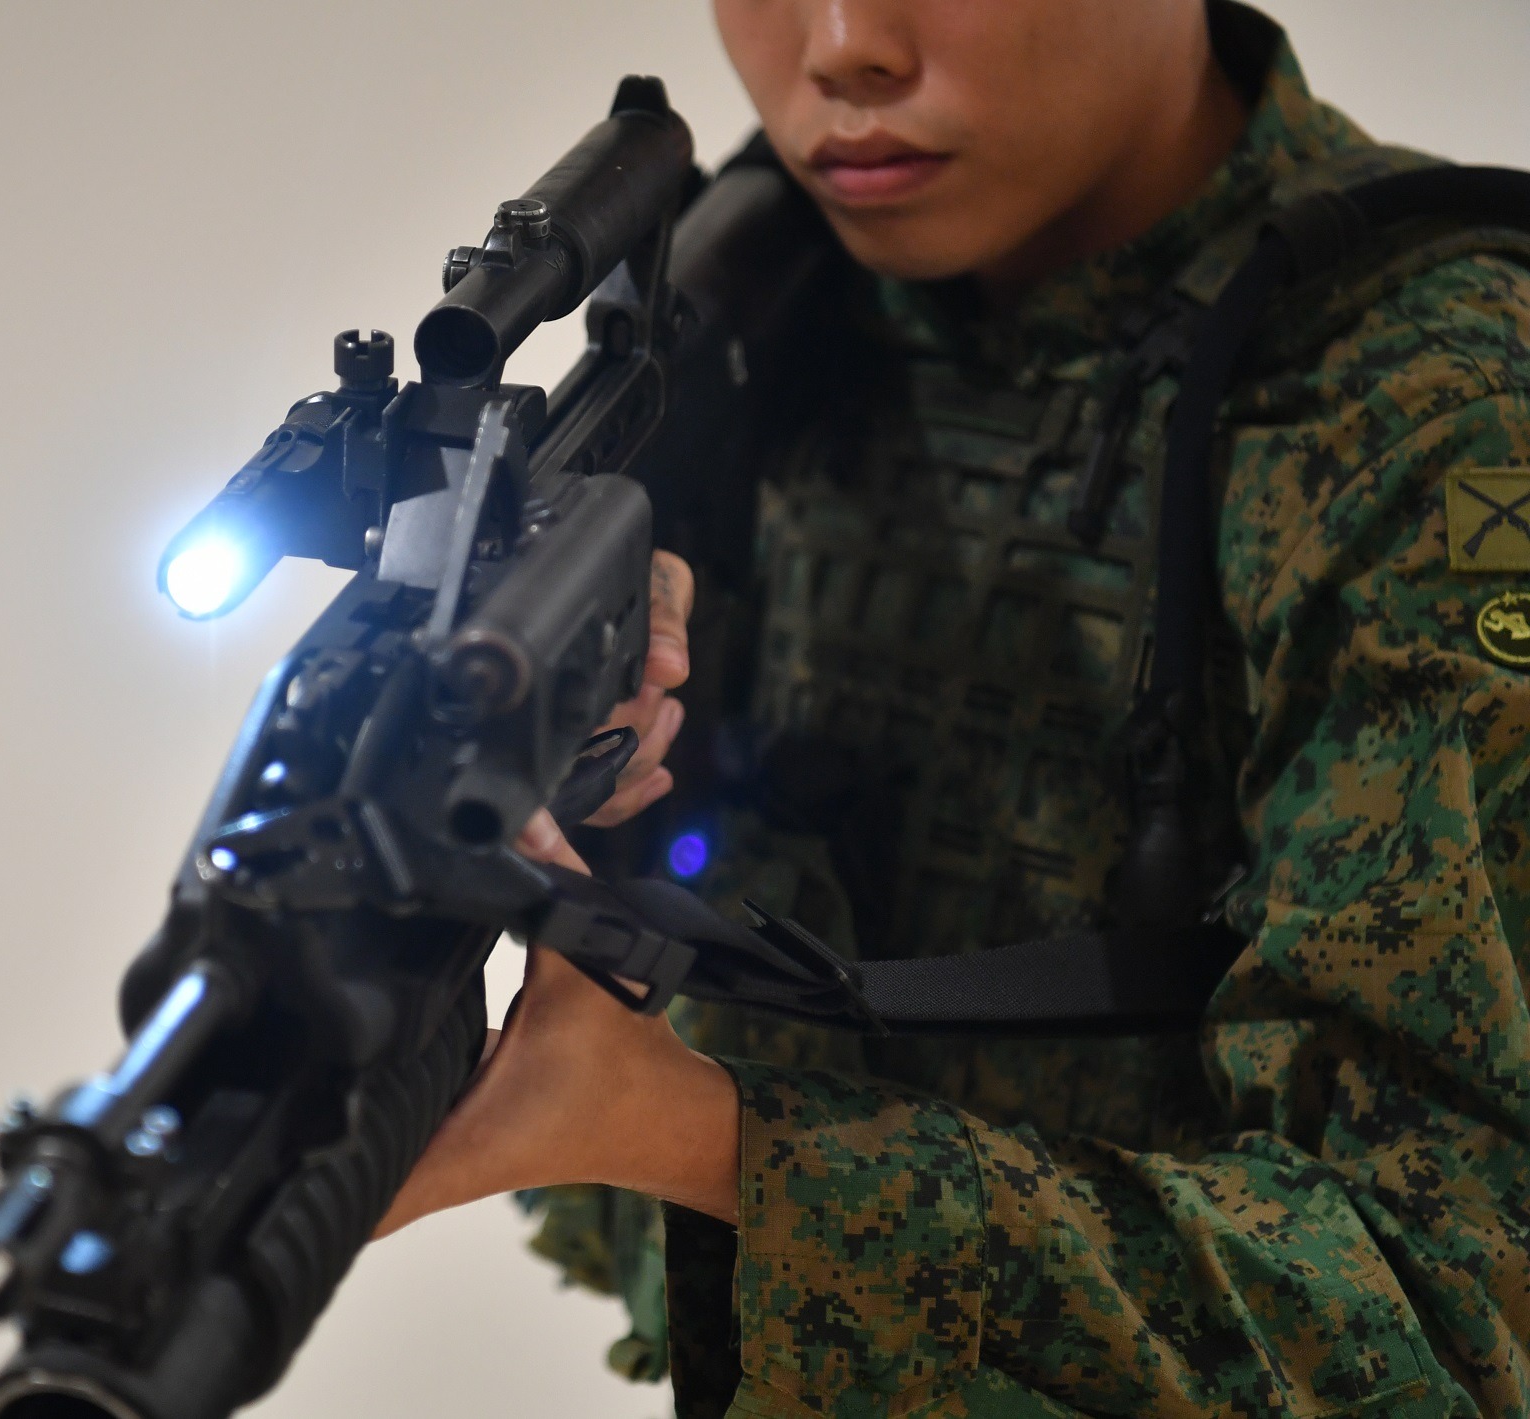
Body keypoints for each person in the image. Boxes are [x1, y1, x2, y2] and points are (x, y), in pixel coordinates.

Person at [379, 1, 1530, 1414]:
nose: (843, 44)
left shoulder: (1442, 417)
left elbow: (1460, 1317)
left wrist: (700, 1141)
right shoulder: (782, 296)